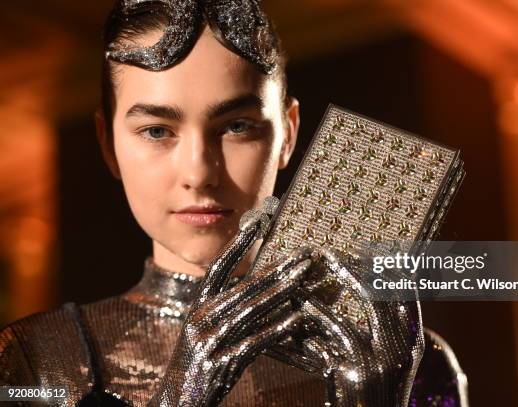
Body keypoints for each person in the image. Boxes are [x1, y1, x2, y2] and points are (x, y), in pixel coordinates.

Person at [0, 1, 468, 406]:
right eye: (158, 131)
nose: (200, 173)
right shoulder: (37, 361)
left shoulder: (408, 364)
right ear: (108, 144)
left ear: (287, 134)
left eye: (237, 126)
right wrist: (184, 392)